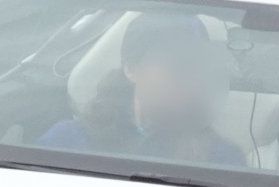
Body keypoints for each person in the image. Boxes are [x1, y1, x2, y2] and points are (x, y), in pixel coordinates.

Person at [38, 13, 243, 166]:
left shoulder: (221, 159)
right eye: (177, 67)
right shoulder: (67, 141)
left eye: (196, 69)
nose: (191, 81)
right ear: (131, 68)